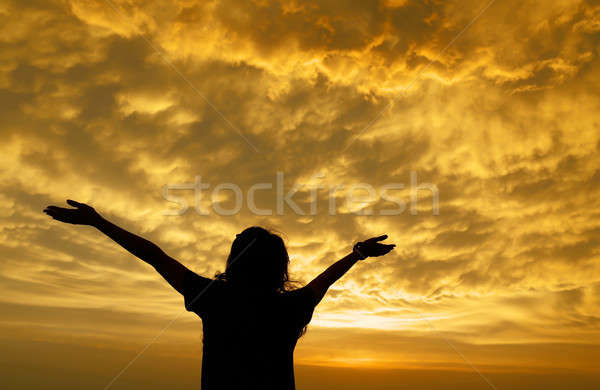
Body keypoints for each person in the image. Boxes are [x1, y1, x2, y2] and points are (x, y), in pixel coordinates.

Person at [43, 199, 395, 389]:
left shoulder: (213, 298)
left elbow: (154, 256)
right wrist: (358, 253)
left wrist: (98, 222)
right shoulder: (292, 307)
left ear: (234, 262)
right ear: (280, 266)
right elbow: (325, 279)